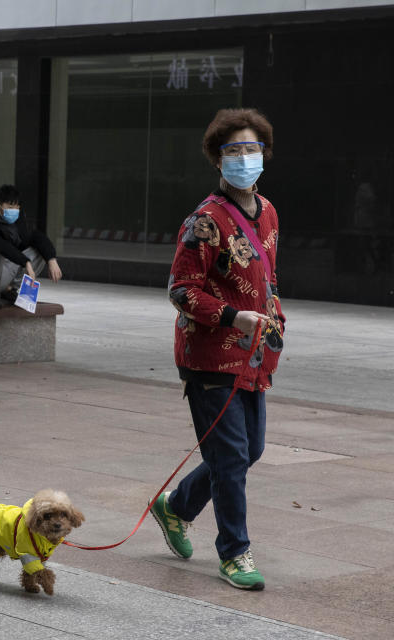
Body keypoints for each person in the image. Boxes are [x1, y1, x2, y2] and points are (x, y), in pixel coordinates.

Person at [151, 108, 286, 591]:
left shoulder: (268, 211)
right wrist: (233, 317)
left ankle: (176, 506)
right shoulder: (204, 222)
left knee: (250, 450)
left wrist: (273, 319)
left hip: (254, 355)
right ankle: (234, 553)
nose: (244, 158)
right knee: (230, 459)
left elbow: (265, 278)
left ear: (264, 154)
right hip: (209, 356)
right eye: (234, 151)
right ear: (217, 160)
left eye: (251, 148)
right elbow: (180, 290)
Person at [0, 183, 63, 308]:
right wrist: (26, 262)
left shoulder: (18, 220)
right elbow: (1, 245)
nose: (15, 210)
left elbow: (35, 236)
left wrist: (51, 259)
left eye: (17, 207)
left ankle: (9, 289)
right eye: (11, 206)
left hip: (3, 273)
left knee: (40, 251)